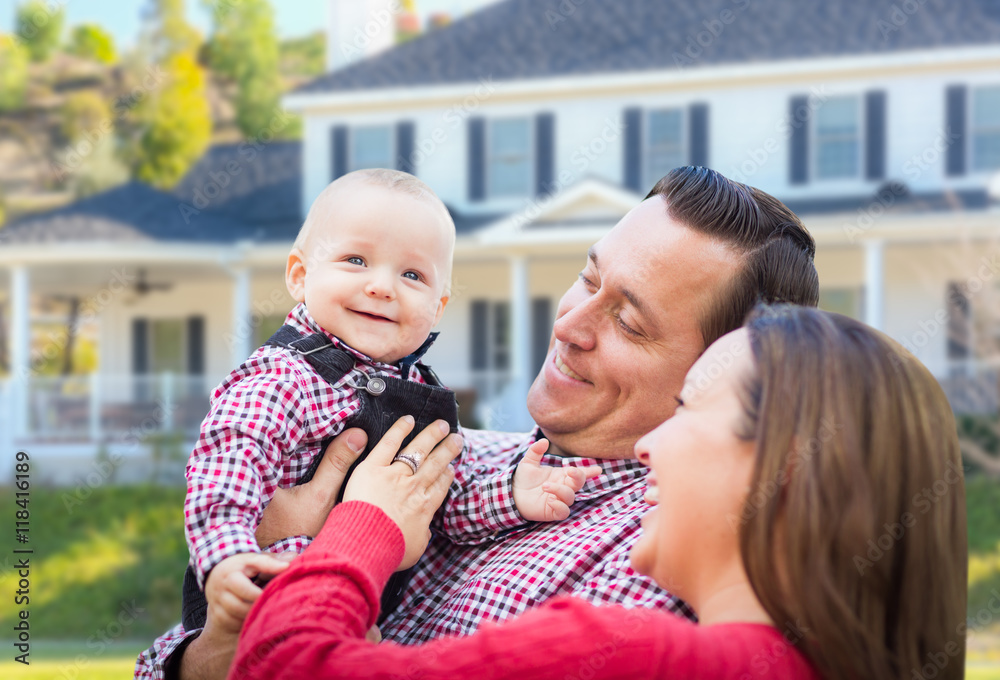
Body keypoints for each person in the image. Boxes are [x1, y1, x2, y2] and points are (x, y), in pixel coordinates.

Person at [137, 166, 821, 679]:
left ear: (726, 367)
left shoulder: (657, 562)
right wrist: (209, 642)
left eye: (630, 323)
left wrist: (351, 531)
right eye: (588, 281)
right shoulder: (460, 456)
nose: (571, 324)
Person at [229, 305, 969, 680]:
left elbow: (286, 666)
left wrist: (361, 525)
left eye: (688, 409)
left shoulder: (628, 652)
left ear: (783, 469)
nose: (649, 447)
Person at [139, 169, 598, 677]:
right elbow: (226, 470)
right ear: (299, 275)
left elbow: (441, 501)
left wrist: (511, 494)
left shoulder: (424, 395)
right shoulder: (285, 377)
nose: (381, 287)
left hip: (354, 621)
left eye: (413, 276)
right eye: (355, 260)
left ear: (438, 306)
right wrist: (226, 559)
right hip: (263, 592)